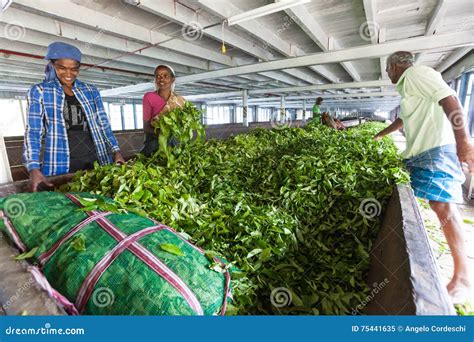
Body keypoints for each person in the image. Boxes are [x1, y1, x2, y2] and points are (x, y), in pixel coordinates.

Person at [374, 51, 474, 303]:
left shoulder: (418, 74)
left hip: (436, 151)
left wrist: (464, 142)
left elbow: (449, 99)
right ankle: (458, 271)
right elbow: (402, 120)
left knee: (443, 206)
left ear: (395, 66)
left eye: (388, 70)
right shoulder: (409, 86)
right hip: (421, 153)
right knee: (435, 203)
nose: (388, 75)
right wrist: (379, 135)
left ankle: (462, 277)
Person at [23, 42, 124, 192]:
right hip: (61, 162)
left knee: (99, 197)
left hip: (95, 157)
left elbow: (103, 124)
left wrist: (116, 151)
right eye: (62, 68)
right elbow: (33, 132)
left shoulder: (90, 91)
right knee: (67, 200)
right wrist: (33, 167)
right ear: (52, 65)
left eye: (74, 69)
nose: (68, 74)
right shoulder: (40, 91)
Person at [141, 65, 186, 156]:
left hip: (173, 142)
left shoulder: (180, 100)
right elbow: (146, 127)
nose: (161, 79)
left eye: (166, 76)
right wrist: (162, 134)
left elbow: (181, 126)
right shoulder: (149, 97)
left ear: (172, 79)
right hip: (153, 143)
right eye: (158, 76)